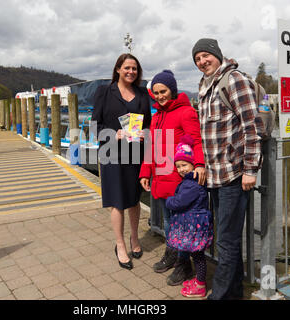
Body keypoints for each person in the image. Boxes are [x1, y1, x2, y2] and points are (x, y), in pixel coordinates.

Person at [192, 38, 263, 300]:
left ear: (217, 55)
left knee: (226, 241)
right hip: (215, 176)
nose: (202, 62)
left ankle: (219, 296)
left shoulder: (233, 80)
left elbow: (251, 125)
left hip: (234, 174)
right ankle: (233, 293)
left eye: (205, 56)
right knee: (227, 239)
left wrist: (250, 169)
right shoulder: (204, 85)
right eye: (197, 59)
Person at [139, 70, 205, 285]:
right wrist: (145, 172)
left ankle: (184, 265)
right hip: (160, 177)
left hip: (178, 180)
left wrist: (200, 165)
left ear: (172, 90)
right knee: (169, 222)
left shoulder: (185, 112)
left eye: (163, 91)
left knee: (182, 225)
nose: (159, 96)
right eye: (156, 93)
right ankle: (173, 254)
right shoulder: (156, 116)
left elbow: (196, 141)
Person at [91, 53, 152, 270]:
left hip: (135, 153)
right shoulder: (105, 92)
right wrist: (112, 134)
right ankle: (120, 244)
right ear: (118, 69)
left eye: (134, 68)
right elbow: (94, 127)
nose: (131, 72)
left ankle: (135, 238)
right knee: (117, 201)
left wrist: (146, 134)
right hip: (112, 153)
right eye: (127, 68)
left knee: (134, 199)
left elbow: (149, 124)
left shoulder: (143, 93)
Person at [165, 135, 213, 299]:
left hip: (195, 226)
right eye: (178, 166)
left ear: (194, 163)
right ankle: (198, 280)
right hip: (193, 225)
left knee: (198, 256)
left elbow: (179, 202)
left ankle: (200, 285)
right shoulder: (190, 181)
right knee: (196, 254)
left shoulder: (192, 183)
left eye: (184, 164)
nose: (181, 169)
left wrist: (169, 200)